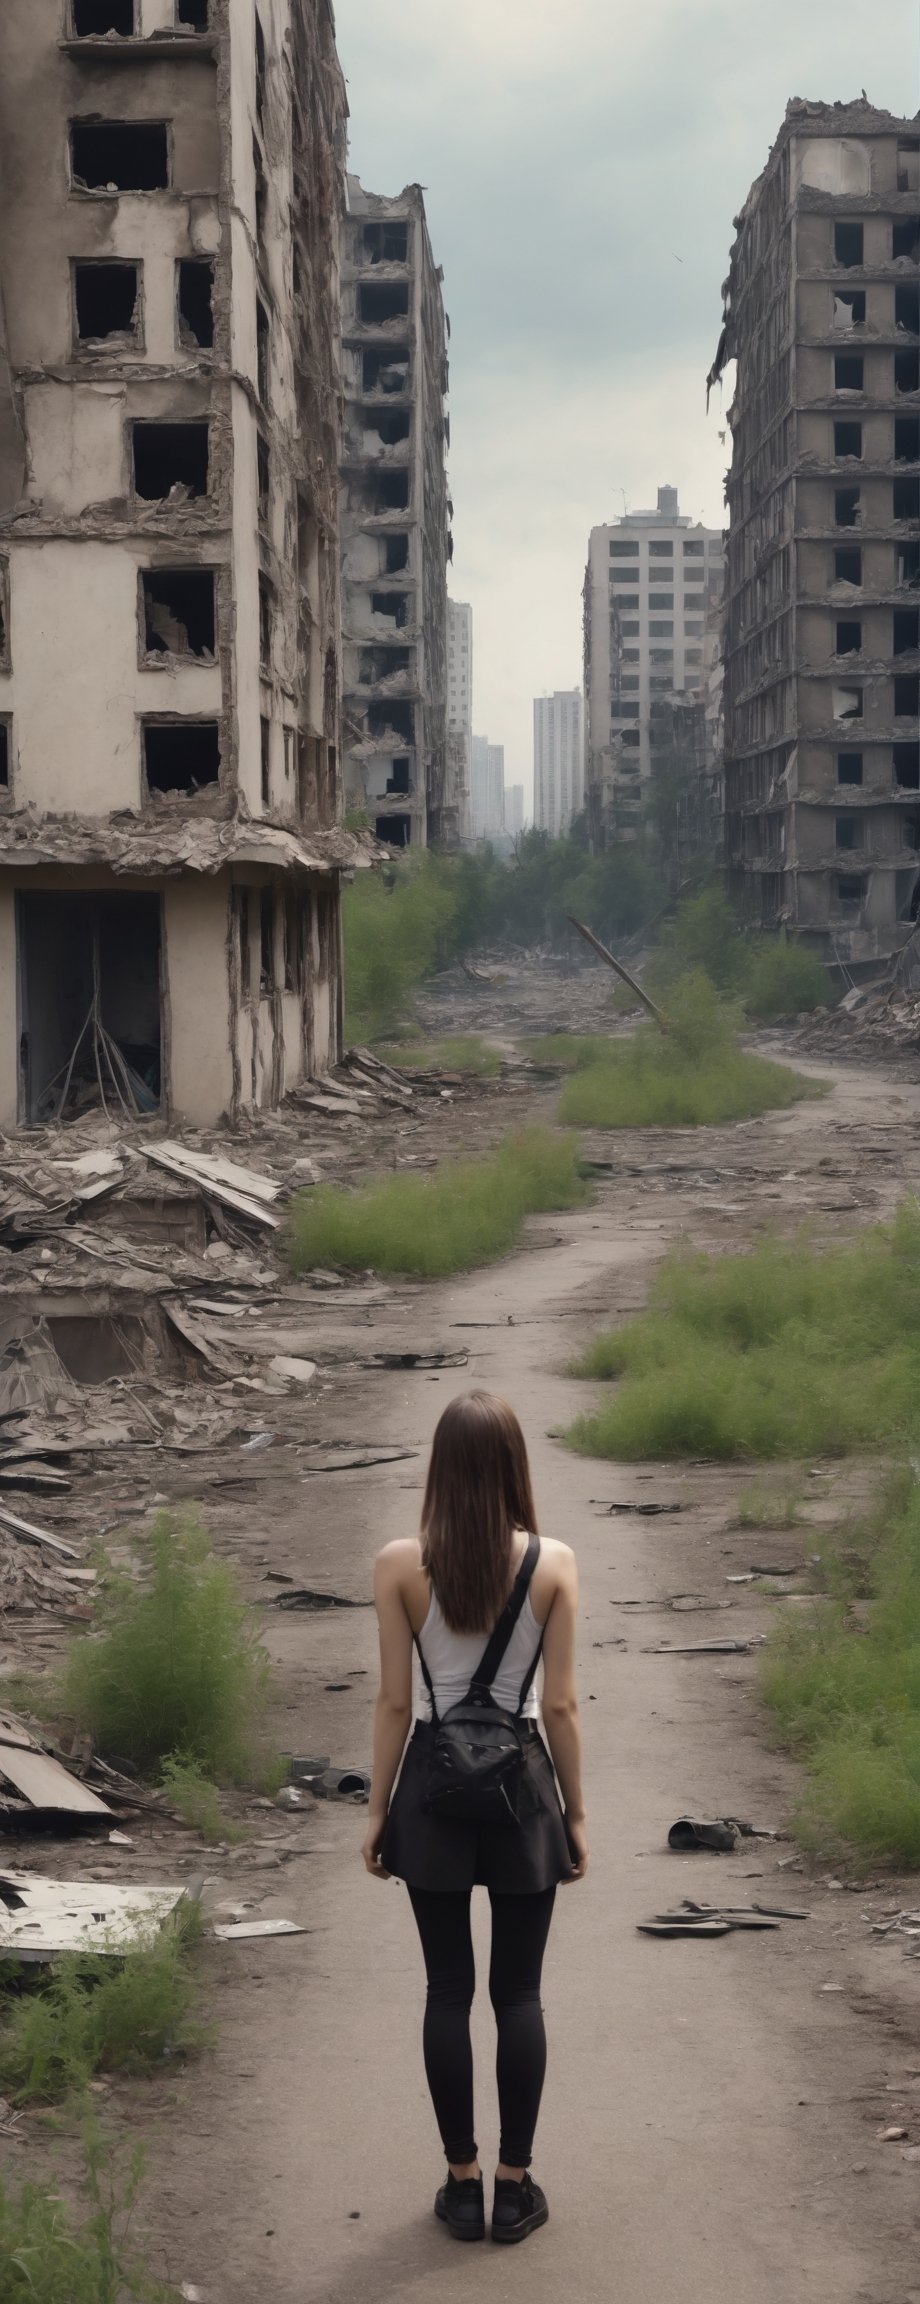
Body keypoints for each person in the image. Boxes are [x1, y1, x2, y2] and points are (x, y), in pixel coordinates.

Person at [362, 1390, 588, 2247]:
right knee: (519, 1992)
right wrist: (577, 1817)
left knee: (447, 1991)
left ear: (439, 1469)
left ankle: (460, 2187)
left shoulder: (397, 1564)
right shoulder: (556, 1563)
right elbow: (560, 1706)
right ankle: (513, 2184)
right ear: (514, 1466)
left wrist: (377, 1813)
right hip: (524, 1786)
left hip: (431, 1788)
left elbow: (393, 1703)